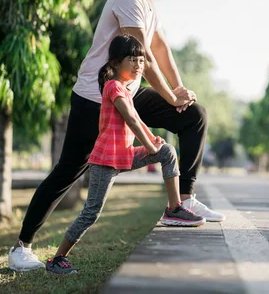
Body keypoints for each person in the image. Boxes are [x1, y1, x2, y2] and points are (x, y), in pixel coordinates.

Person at [8, 0, 224, 272]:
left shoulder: (149, 4)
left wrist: (180, 91)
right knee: (70, 171)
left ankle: (182, 201)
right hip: (96, 97)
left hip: (128, 94)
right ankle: (21, 247)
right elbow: (145, 56)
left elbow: (162, 49)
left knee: (193, 114)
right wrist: (169, 96)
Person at [45, 35, 205, 275]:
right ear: (116, 62)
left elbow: (137, 119)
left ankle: (174, 208)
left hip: (126, 155)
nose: (139, 64)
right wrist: (150, 146)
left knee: (168, 152)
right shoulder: (113, 87)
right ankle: (57, 258)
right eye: (133, 59)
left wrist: (153, 141)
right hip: (105, 160)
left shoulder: (126, 89)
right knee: (91, 213)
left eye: (141, 59)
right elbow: (130, 119)